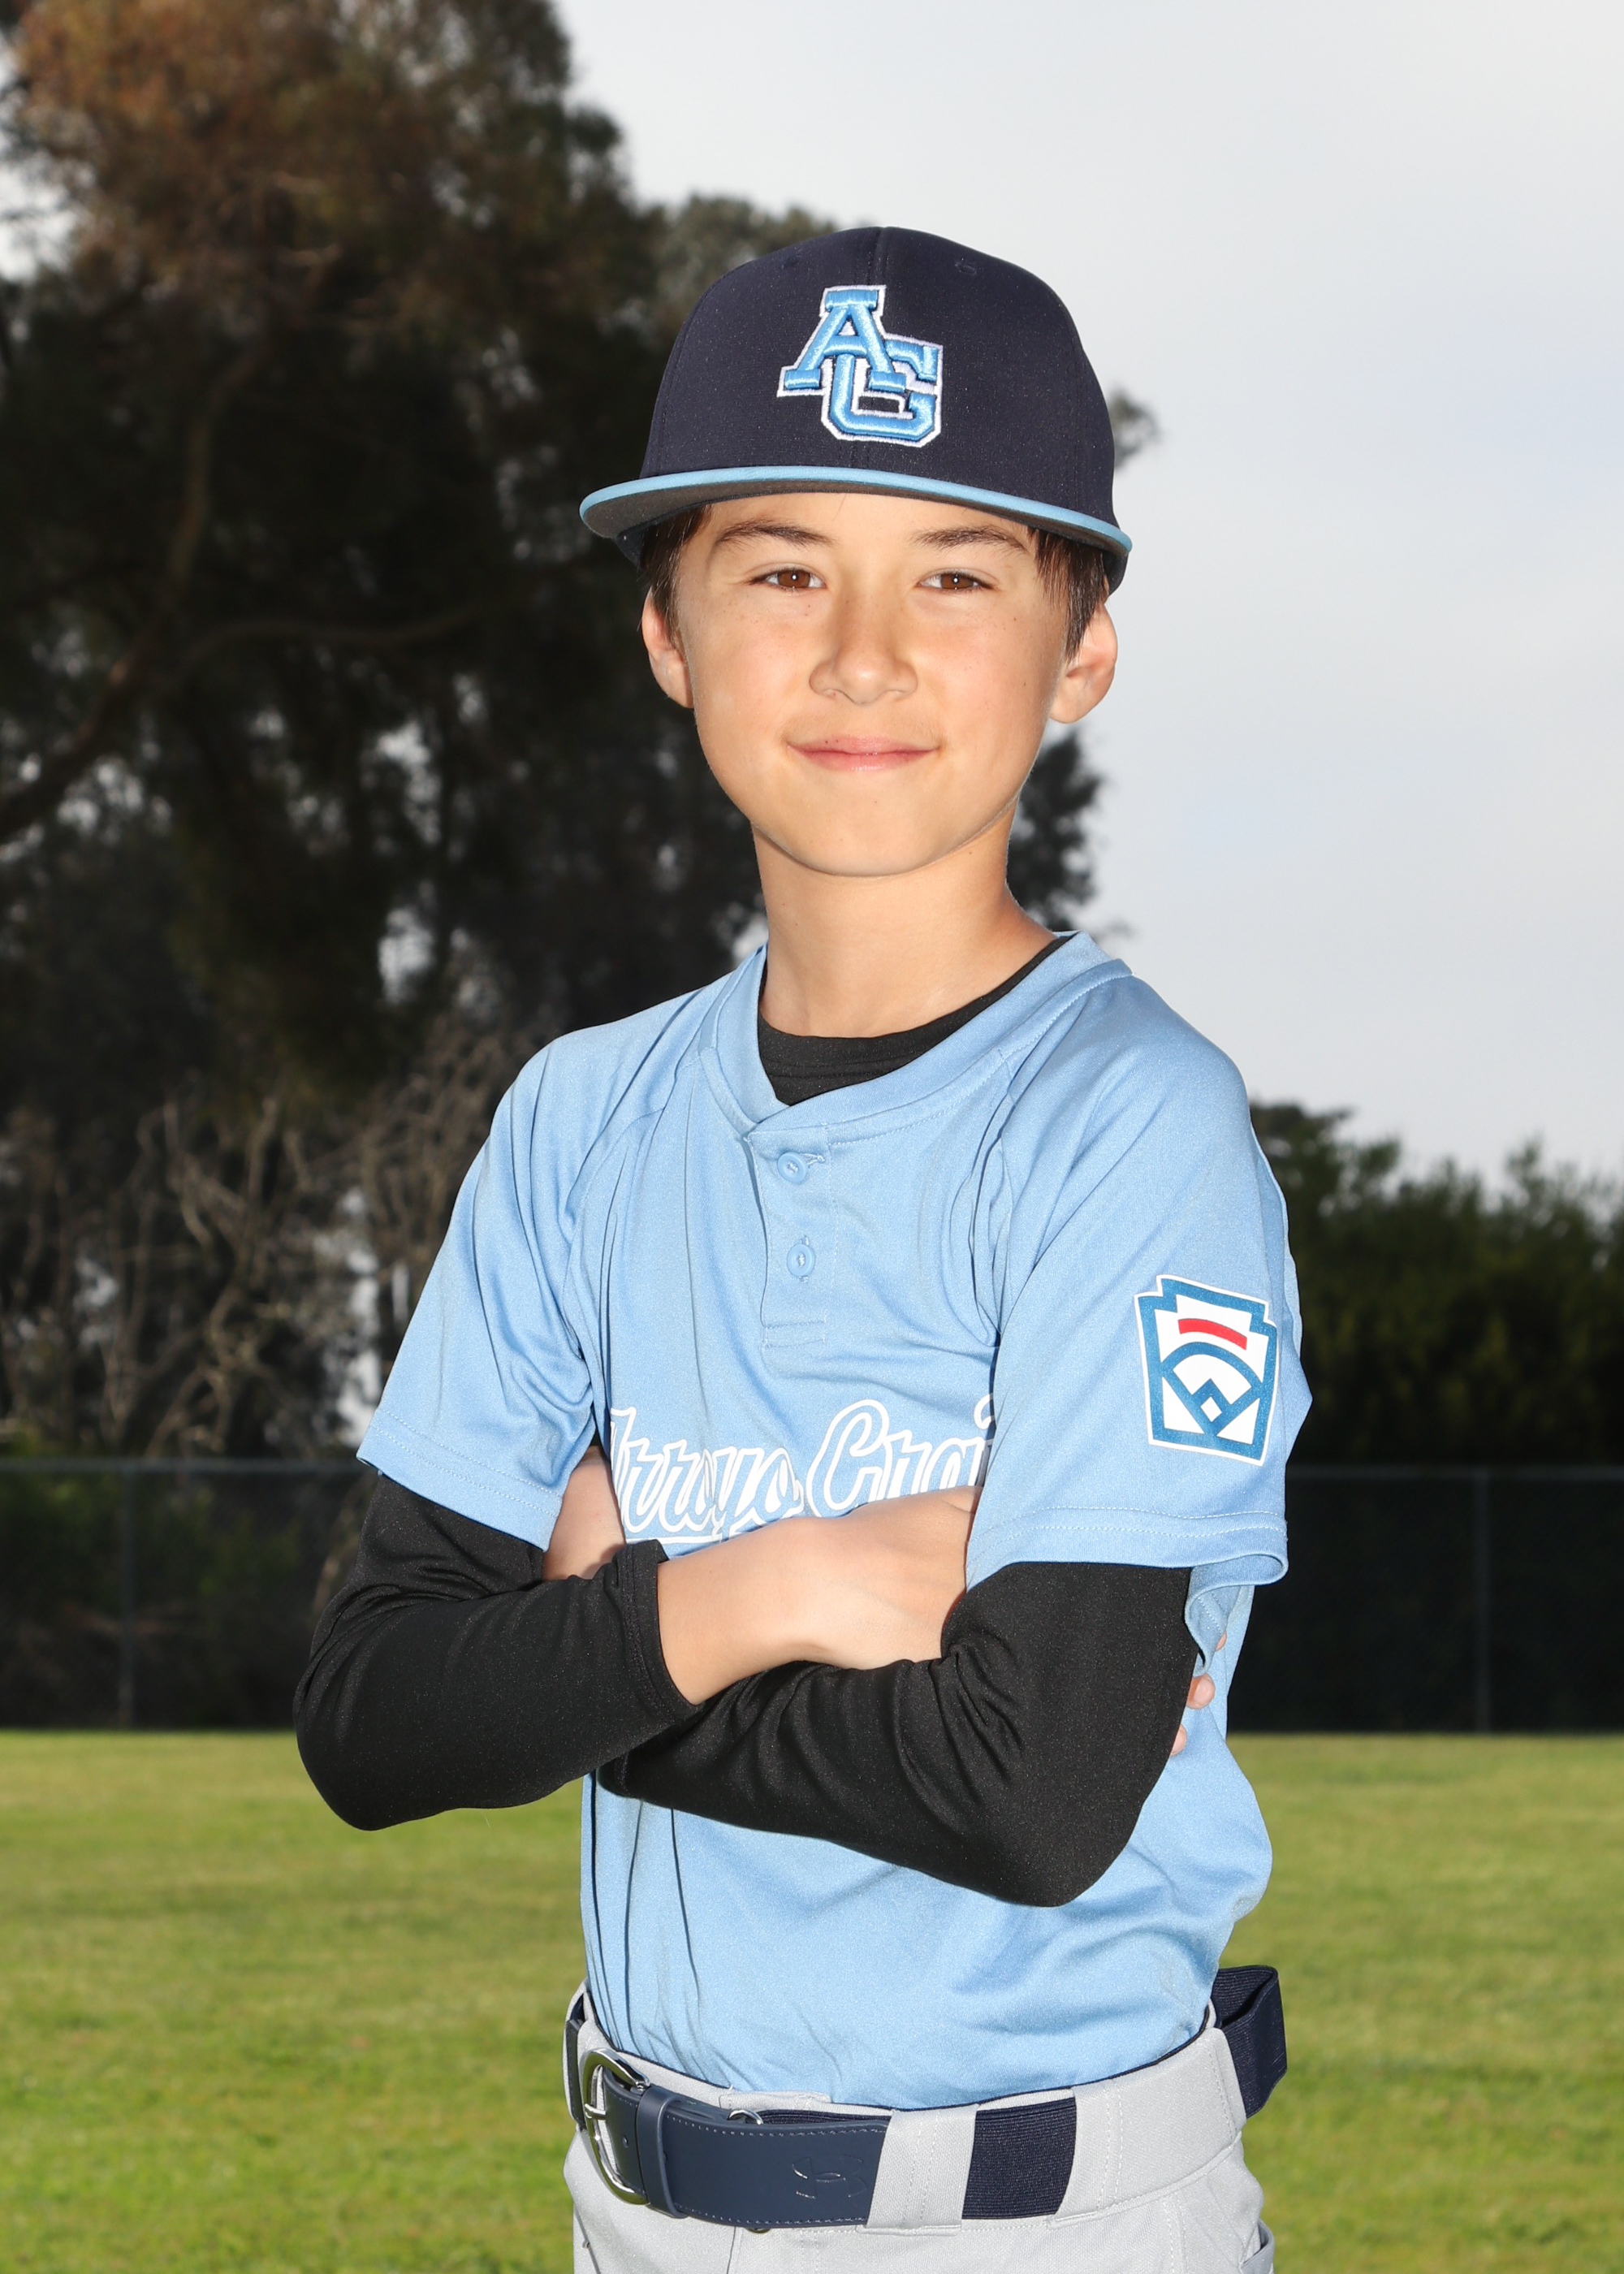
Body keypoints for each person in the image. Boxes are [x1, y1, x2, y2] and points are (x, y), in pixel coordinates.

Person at [296, 226, 1308, 2272]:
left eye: (953, 574)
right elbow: (374, 1711)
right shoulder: (582, 1120)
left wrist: (593, 1640)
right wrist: (772, 1587)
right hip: (636, 2205)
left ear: (1080, 646)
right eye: (780, 571)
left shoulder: (1132, 1123)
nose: (861, 653)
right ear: (667, 630)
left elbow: (1031, 1783)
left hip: (1039, 2220)